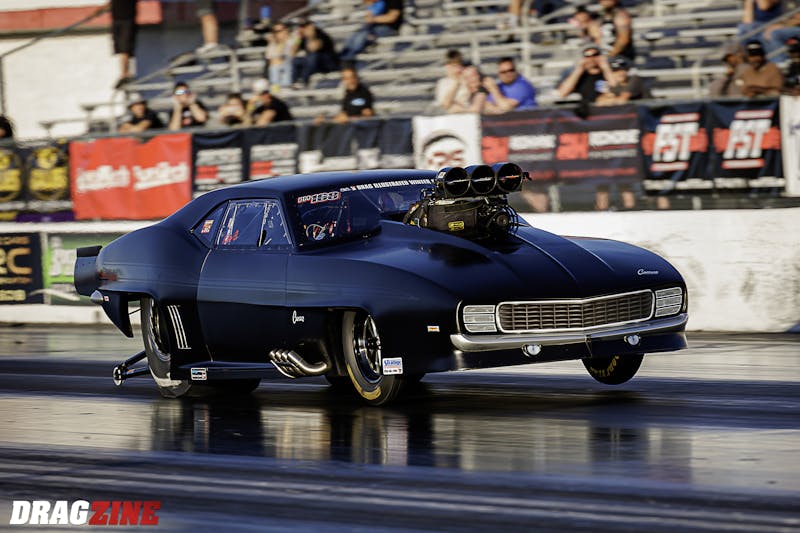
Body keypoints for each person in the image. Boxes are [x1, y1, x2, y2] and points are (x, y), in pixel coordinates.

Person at [339, 0, 404, 61]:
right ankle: (344, 55)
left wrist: (373, 19)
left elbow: (392, 17)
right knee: (354, 36)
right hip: (373, 27)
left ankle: (347, 58)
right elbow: (369, 14)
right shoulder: (378, 2)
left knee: (363, 36)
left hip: (389, 28)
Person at [292, 19, 339, 88]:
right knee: (296, 60)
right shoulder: (303, 38)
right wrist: (298, 39)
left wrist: (311, 36)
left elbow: (313, 48)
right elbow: (293, 52)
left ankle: (304, 81)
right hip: (314, 64)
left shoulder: (321, 34)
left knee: (313, 56)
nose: (302, 29)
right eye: (301, 27)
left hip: (328, 64)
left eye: (304, 27)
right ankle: (294, 82)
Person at [110, 0, 137, 89]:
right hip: (116, 20)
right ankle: (124, 73)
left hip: (126, 20)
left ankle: (125, 73)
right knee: (120, 49)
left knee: (124, 48)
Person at [265, 21, 297, 90]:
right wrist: (275, 43)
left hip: (291, 66)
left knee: (284, 63)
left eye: (280, 30)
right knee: (275, 64)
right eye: (275, 31)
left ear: (286, 30)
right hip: (278, 68)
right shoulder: (273, 44)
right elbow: (270, 59)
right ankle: (276, 86)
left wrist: (284, 42)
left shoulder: (293, 40)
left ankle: (281, 86)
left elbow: (292, 54)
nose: (278, 33)